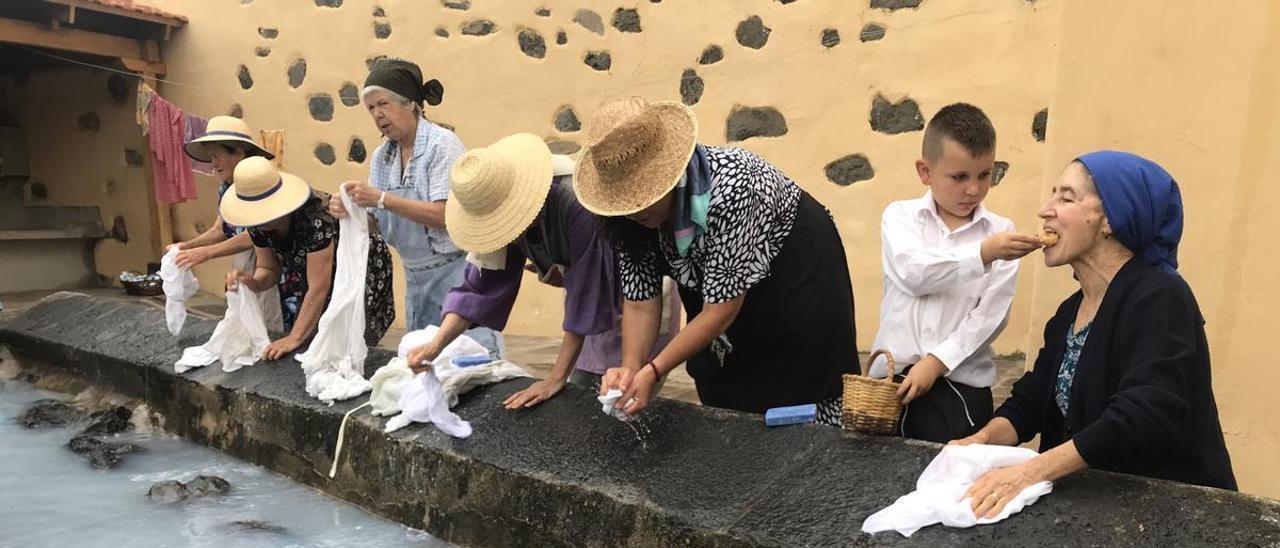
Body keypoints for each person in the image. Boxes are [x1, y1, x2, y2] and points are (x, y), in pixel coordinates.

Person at [955, 151, 1236, 519]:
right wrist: (977, 443)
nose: (1045, 209)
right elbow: (1031, 402)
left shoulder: (1160, 298)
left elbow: (1140, 417)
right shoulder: (1069, 312)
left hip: (1173, 515)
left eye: (1066, 197)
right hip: (1099, 512)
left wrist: (1028, 472)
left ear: (1109, 220)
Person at [579, 97, 858, 424]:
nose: (637, 211)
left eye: (645, 196)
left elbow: (719, 312)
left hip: (793, 278)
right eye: (627, 203)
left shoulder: (733, 187)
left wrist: (653, 370)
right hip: (715, 286)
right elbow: (641, 302)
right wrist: (630, 370)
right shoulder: (623, 219)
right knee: (722, 391)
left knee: (800, 395)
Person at [404, 133, 676, 408]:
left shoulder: (577, 203)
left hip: (639, 302)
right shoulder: (503, 218)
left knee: (626, 398)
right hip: (592, 317)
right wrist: (434, 346)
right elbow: (478, 288)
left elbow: (586, 294)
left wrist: (554, 378)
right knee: (588, 398)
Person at [872, 103, 1041, 442]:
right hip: (887, 386)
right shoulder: (900, 217)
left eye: (984, 175)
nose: (974, 190)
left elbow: (990, 316)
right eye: (959, 177)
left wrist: (936, 362)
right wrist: (983, 253)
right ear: (925, 171)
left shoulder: (1001, 229)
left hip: (960, 388)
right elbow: (912, 273)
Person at [328, 58, 499, 353]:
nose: (378, 114)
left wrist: (381, 198)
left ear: (411, 105)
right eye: (370, 108)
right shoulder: (384, 156)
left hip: (454, 275)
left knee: (467, 359)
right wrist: (350, 209)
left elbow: (446, 214)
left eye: (383, 103)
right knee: (422, 359)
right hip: (416, 277)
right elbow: (377, 222)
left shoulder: (441, 145)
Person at [221, 157, 396, 359]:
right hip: (318, 274)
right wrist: (251, 282)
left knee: (346, 341)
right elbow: (268, 270)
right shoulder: (258, 224)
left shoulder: (314, 219)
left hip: (359, 271)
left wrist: (294, 337)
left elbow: (318, 287)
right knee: (314, 339)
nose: (260, 219)